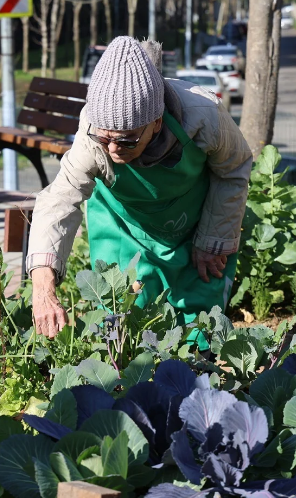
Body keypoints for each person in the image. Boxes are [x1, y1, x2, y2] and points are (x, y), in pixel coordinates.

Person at [27, 36, 252, 349]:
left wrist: (213, 237)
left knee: (202, 324)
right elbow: (59, 200)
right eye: (106, 140)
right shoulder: (92, 135)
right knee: (121, 321)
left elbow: (234, 169)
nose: (115, 150)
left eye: (128, 140)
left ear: (157, 123)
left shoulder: (204, 114)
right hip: (124, 227)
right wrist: (43, 286)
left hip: (192, 224)